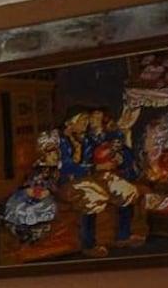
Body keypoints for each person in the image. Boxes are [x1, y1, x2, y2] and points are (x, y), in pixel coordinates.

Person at [61, 106, 143, 255]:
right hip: (69, 181)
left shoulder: (87, 139)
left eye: (87, 120)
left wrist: (114, 155)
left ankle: (123, 236)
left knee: (126, 190)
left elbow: (100, 154)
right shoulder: (61, 141)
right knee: (93, 196)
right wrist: (96, 167)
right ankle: (88, 245)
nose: (86, 124)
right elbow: (66, 167)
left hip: (92, 175)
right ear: (69, 123)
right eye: (82, 120)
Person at [0, 130, 63, 244]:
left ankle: (32, 228)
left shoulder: (55, 171)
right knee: (17, 204)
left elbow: (54, 186)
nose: (54, 157)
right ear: (43, 156)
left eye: (56, 154)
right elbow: (28, 182)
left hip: (45, 197)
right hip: (30, 192)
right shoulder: (36, 168)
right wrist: (30, 189)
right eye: (50, 154)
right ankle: (17, 225)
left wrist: (48, 191)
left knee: (37, 208)